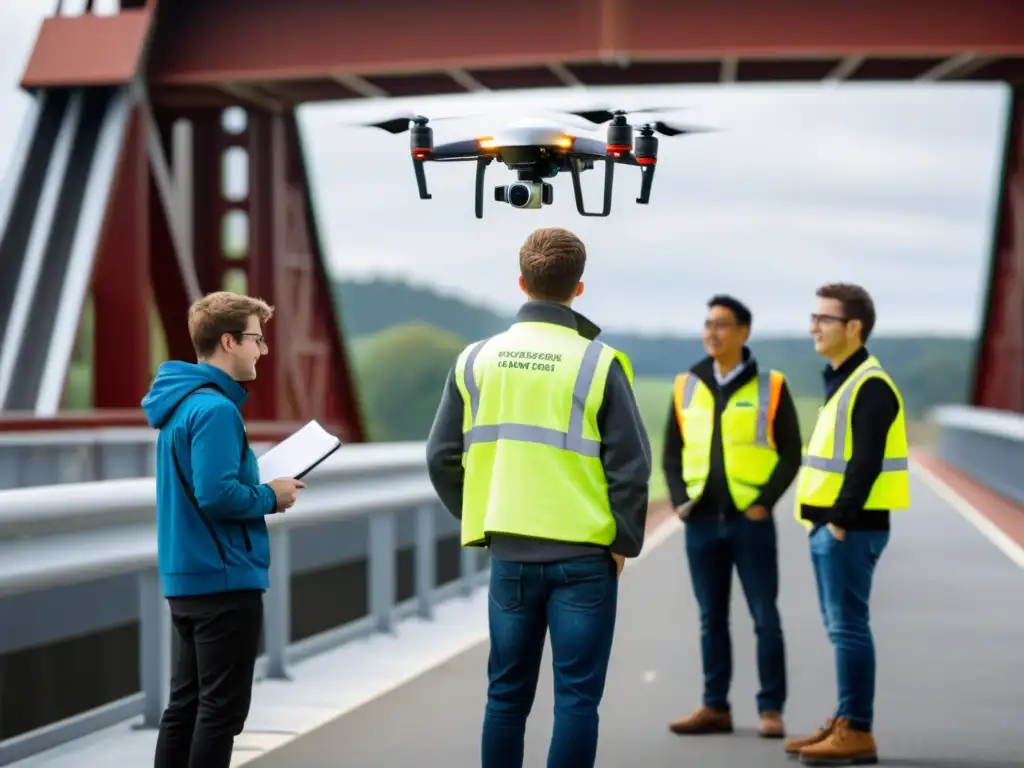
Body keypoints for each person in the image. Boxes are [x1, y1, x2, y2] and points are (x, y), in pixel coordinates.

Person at [425, 226, 651, 768]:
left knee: (505, 696)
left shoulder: (476, 359)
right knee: (576, 700)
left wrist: (480, 513)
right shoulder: (598, 363)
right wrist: (622, 541)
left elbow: (440, 457)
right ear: (578, 289)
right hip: (584, 559)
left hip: (510, 555)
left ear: (521, 281)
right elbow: (632, 466)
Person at [142, 291, 306, 768]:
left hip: (188, 574)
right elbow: (216, 494)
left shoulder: (179, 406)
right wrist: (270, 496)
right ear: (230, 341)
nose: (264, 349)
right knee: (220, 713)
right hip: (224, 577)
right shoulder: (215, 410)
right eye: (257, 338)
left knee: (187, 705)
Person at [664, 295, 802, 739]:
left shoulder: (772, 385)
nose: (712, 332)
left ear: (743, 332)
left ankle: (771, 709)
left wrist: (766, 501)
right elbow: (671, 450)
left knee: (765, 615)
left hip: (750, 521)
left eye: (721, 325)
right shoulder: (686, 384)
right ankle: (714, 707)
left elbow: (791, 453)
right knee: (711, 618)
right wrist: (680, 498)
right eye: (708, 324)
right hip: (701, 520)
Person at [783, 283, 910, 765]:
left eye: (824, 319)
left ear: (854, 327)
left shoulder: (870, 385)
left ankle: (857, 729)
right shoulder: (845, 379)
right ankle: (846, 718)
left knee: (849, 628)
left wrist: (839, 523)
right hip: (833, 530)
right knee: (842, 627)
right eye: (813, 317)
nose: (813, 326)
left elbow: (866, 462)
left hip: (849, 531)